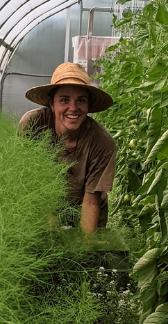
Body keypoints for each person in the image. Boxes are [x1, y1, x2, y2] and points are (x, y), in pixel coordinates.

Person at [18, 62, 117, 235]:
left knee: (87, 253)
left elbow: (90, 202)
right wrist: (49, 231)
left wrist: (84, 248)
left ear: (88, 106)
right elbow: (28, 182)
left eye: (81, 100)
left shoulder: (101, 142)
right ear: (51, 103)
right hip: (40, 205)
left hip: (85, 209)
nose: (73, 108)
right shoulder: (33, 125)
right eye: (64, 100)